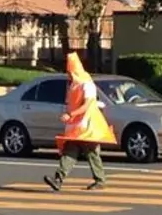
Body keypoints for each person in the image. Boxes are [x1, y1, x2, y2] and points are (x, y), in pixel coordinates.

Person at [44, 52, 117, 191]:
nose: (69, 75)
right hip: (77, 125)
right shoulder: (74, 85)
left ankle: (99, 179)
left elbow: (88, 105)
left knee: (91, 152)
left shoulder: (87, 84)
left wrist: (70, 114)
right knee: (70, 151)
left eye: (70, 72)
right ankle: (58, 180)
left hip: (89, 125)